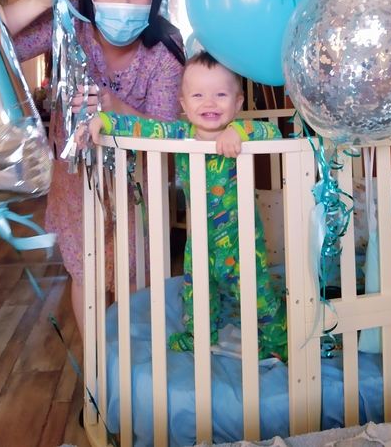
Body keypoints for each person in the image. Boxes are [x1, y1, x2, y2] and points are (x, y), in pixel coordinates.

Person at [3, 0, 185, 336]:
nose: (123, 1)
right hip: (76, 182)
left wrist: (114, 106)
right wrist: (37, 1)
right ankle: (97, 368)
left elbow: (166, 131)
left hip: (137, 187)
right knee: (86, 274)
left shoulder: (165, 48)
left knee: (135, 277)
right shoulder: (70, 22)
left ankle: (134, 363)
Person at [77, 51, 288, 361]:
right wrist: (104, 120)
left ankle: (279, 342)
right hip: (199, 241)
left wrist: (239, 131)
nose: (209, 102)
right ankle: (198, 335)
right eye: (198, 95)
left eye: (220, 94)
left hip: (243, 243)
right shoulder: (180, 135)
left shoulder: (243, 136)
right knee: (196, 292)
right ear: (184, 104)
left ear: (238, 102)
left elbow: (274, 132)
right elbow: (141, 128)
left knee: (258, 295)